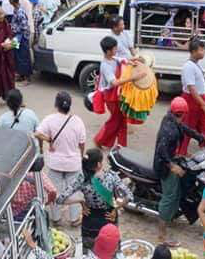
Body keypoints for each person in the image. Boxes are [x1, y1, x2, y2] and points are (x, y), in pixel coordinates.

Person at [154, 97, 205, 246]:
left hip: (172, 158)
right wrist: (173, 166)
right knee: (170, 197)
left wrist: (204, 138)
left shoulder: (171, 119)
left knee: (181, 185)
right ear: (183, 114)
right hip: (164, 166)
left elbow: (186, 129)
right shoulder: (170, 131)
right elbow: (161, 151)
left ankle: (172, 215)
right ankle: (161, 236)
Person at [56, 148, 132, 250]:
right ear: (99, 164)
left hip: (90, 220)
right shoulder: (111, 177)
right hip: (109, 219)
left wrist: (81, 201)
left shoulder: (81, 178)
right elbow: (129, 196)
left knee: (89, 252)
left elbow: (60, 199)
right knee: (110, 250)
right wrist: (116, 208)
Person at [36, 91, 86, 227]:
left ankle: (56, 218)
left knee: (54, 191)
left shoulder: (49, 119)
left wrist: (49, 139)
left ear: (56, 104)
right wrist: (80, 156)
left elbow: (37, 134)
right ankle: (74, 219)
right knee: (74, 191)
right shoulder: (78, 121)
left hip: (55, 163)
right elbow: (82, 143)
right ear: (69, 106)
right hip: (73, 164)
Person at [94, 36, 129, 149]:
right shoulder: (105, 65)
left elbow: (125, 61)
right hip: (111, 96)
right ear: (108, 51)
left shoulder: (113, 59)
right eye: (114, 49)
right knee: (115, 121)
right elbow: (114, 83)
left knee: (121, 120)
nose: (116, 50)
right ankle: (100, 140)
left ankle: (121, 145)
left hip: (118, 95)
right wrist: (133, 78)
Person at [180, 38, 205, 147]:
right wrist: (203, 103)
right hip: (192, 100)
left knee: (203, 124)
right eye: (201, 50)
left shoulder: (194, 65)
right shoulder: (189, 67)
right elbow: (192, 88)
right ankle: (181, 150)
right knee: (188, 125)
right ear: (194, 52)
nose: (203, 52)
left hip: (197, 99)